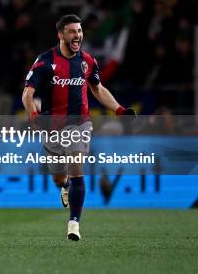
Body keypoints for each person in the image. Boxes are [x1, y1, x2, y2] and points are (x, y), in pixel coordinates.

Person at [22, 14, 135, 241]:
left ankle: (74, 223)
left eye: (80, 31)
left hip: (79, 123)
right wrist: (34, 116)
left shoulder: (88, 61)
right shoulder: (45, 62)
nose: (78, 36)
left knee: (76, 166)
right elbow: (28, 93)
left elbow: (98, 89)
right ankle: (64, 187)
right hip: (51, 127)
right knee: (59, 179)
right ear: (61, 34)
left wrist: (120, 110)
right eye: (73, 31)